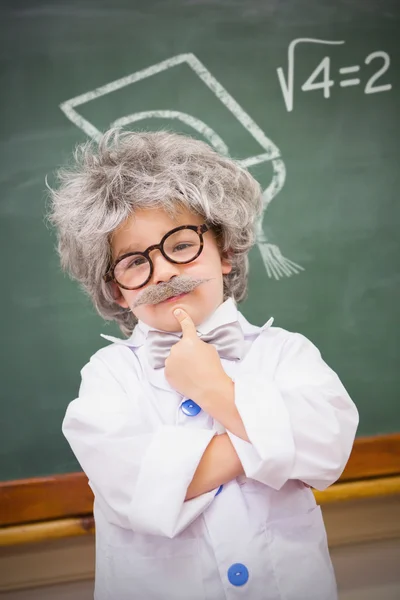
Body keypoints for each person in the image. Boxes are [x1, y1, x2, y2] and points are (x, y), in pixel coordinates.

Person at [49, 129, 359, 600]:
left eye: (180, 245)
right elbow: (138, 490)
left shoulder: (286, 353)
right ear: (116, 290)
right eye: (134, 261)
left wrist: (216, 389)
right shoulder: (106, 377)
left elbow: (328, 451)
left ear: (226, 253)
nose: (164, 272)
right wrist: (269, 437)